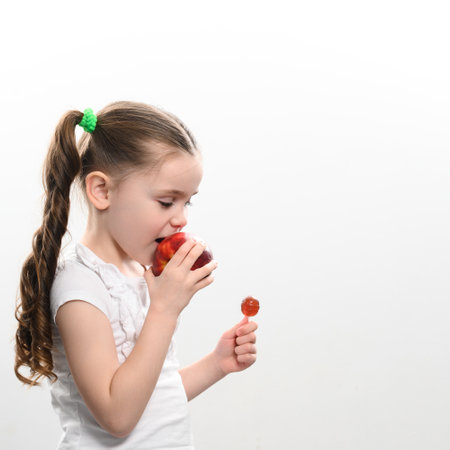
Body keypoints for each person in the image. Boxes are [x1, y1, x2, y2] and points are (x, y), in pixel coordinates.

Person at [14, 101, 258, 449]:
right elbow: (118, 416)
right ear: (102, 191)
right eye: (166, 202)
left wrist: (216, 364)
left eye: (186, 202)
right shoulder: (80, 286)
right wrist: (164, 310)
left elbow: (151, 398)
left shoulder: (138, 271)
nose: (181, 219)